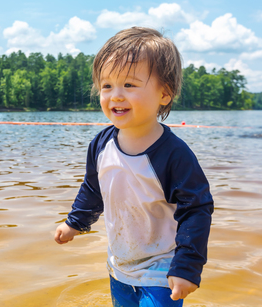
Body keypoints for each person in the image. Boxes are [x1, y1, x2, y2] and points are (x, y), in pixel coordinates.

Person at [54, 27, 214, 307]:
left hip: (163, 268)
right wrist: (75, 223)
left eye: (129, 85)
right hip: (120, 263)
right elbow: (94, 189)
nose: (115, 95)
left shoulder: (175, 155)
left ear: (164, 94)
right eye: (107, 86)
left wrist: (187, 265)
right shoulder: (101, 145)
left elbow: (197, 209)